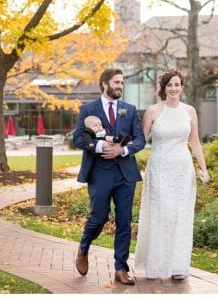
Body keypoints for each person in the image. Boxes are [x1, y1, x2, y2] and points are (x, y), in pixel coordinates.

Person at [133, 68, 210, 280]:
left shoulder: (190, 111)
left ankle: (178, 266)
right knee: (160, 215)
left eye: (177, 85)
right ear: (163, 88)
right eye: (170, 85)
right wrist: (121, 150)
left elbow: (194, 141)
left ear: (181, 87)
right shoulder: (152, 112)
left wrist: (203, 169)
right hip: (158, 169)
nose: (174, 88)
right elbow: (140, 141)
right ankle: (156, 266)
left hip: (183, 170)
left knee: (180, 216)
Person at [73, 68, 146, 285]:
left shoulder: (129, 110)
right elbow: (78, 138)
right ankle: (83, 247)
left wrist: (122, 150)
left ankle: (121, 269)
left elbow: (140, 140)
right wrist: (100, 145)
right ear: (105, 83)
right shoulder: (88, 109)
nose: (120, 86)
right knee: (99, 217)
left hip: (126, 174)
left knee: (124, 221)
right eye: (116, 82)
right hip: (99, 173)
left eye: (122, 83)